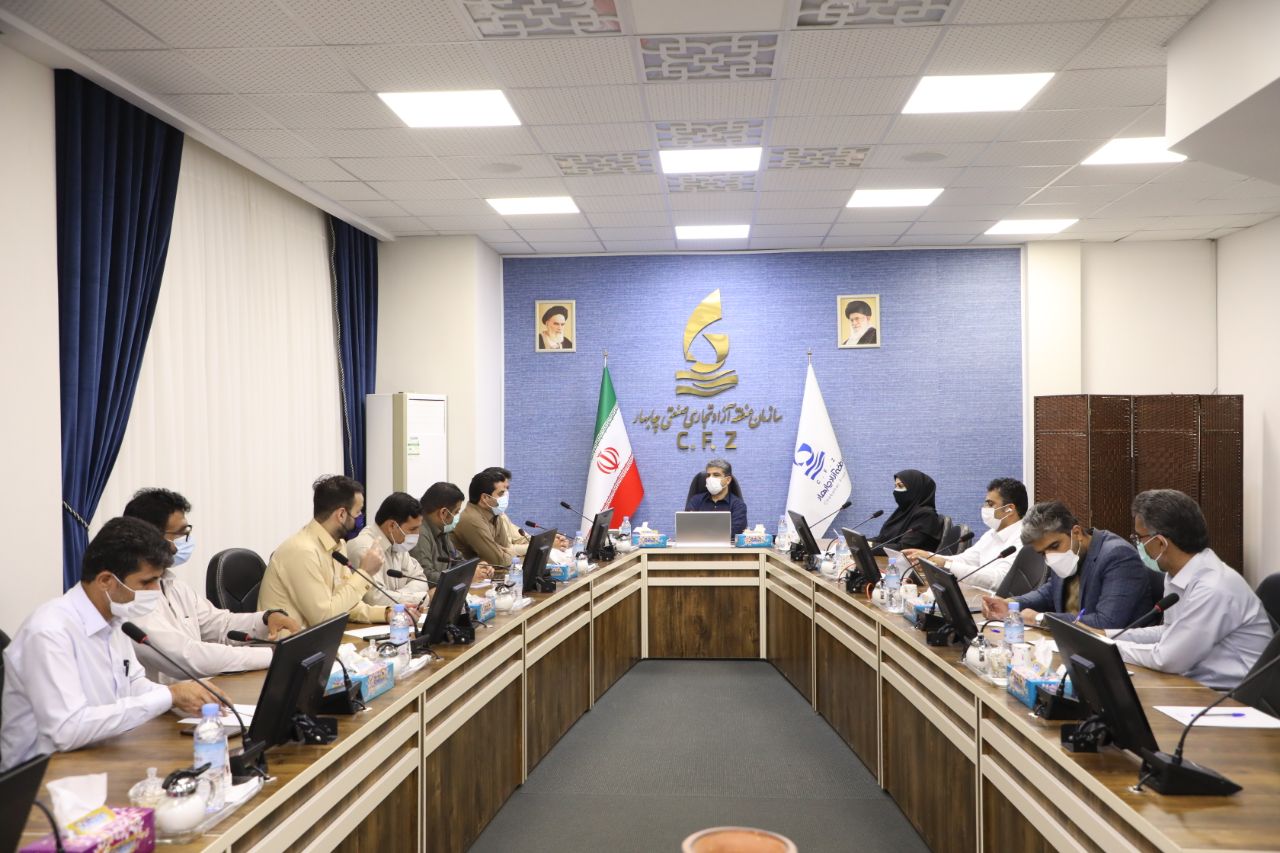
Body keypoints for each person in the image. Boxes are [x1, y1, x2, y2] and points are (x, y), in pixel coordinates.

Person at [0, 518, 218, 770]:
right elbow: (67, 729)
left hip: (98, 756)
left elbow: (133, 684)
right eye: (146, 582)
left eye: (158, 580)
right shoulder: (49, 632)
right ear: (105, 580)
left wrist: (184, 695)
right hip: (42, 778)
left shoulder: (116, 619)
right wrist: (169, 696)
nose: (156, 591)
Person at [123, 488, 300, 681]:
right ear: (150, 537)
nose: (178, 545)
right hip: (165, 699)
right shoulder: (130, 595)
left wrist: (265, 619)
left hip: (199, 691)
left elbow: (221, 625)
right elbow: (187, 657)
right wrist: (272, 655)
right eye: (180, 534)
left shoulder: (175, 587)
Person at [1108, 490, 1274, 689]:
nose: (1138, 544)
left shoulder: (1214, 587)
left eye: (1139, 538)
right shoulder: (1176, 575)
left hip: (1235, 697)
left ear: (1160, 543)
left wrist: (1109, 647)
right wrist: (1107, 635)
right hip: (1196, 686)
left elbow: (1167, 659)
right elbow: (1170, 632)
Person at [981, 500, 1156, 630]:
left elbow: (1105, 623)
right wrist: (1011, 604)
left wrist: (1040, 619)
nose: (1050, 557)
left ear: (1077, 533)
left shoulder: (1117, 555)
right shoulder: (1070, 555)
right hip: (1072, 645)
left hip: (1123, 658)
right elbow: (1049, 593)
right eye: (1043, 553)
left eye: (1054, 546)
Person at [257, 475, 393, 628]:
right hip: (291, 641)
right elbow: (323, 618)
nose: (361, 518)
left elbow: (344, 604)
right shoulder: (302, 551)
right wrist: (365, 573)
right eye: (358, 512)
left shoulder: (338, 545)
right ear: (341, 514)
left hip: (320, 638)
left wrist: (387, 613)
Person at [904, 477, 1027, 592]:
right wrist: (928, 557)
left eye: (990, 504)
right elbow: (965, 560)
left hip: (1001, 602)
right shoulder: (991, 534)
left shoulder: (1023, 538)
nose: (984, 508)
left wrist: (944, 563)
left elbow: (998, 579)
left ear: (1009, 509)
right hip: (978, 596)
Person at [346, 492, 429, 612]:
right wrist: (420, 598)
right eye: (412, 529)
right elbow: (375, 600)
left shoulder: (397, 543)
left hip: (398, 617)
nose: (417, 534)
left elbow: (421, 580)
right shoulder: (365, 548)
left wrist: (397, 595)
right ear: (392, 526)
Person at [482, 467, 568, 555]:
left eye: (507, 488)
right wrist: (546, 545)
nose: (506, 493)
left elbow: (521, 538)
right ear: (486, 495)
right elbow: (504, 550)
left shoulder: (501, 515)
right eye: (502, 491)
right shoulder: (480, 520)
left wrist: (548, 540)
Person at [451, 470, 509, 578]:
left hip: (488, 577)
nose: (505, 497)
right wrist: (506, 553)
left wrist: (506, 553)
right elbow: (499, 562)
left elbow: (507, 549)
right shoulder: (471, 519)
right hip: (468, 580)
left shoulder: (494, 513)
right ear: (485, 498)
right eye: (501, 493)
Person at [870, 469, 942, 554]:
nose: (895, 491)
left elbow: (904, 548)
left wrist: (871, 546)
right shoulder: (902, 511)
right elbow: (882, 539)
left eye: (900, 486)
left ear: (915, 489)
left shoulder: (926, 515)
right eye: (895, 486)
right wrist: (862, 542)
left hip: (911, 562)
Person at [409, 482, 466, 585]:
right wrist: (461, 577)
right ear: (443, 513)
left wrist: (475, 568)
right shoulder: (419, 532)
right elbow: (425, 576)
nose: (458, 516)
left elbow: (457, 559)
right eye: (456, 512)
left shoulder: (441, 527)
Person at [684, 459, 748, 533]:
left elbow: (735, 531)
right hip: (697, 540)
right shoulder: (695, 501)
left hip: (726, 541)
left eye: (716, 475)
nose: (710, 479)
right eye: (708, 475)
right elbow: (687, 528)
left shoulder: (738, 505)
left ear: (728, 480)